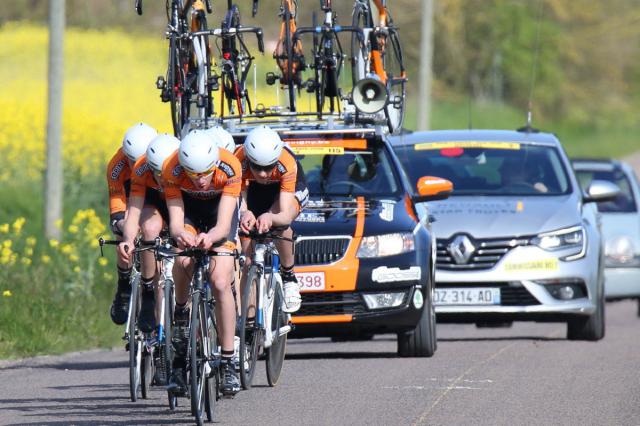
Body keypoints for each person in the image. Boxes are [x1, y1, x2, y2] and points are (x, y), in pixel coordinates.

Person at [161, 129, 242, 396]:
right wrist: (182, 235)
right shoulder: (171, 169)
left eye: (206, 173)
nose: (200, 181)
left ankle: (228, 360)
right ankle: (181, 312)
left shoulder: (230, 167)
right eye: (193, 175)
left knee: (220, 281)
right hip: (189, 216)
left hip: (219, 215)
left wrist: (212, 238)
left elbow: (223, 224)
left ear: (215, 163)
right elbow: (175, 222)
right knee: (183, 260)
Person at [235, 125, 309, 313]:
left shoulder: (286, 162)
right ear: (249, 159)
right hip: (253, 192)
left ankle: (289, 275)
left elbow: (284, 212)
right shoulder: (239, 160)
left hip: (284, 193)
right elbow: (239, 199)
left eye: (268, 168)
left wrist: (270, 216)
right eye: (257, 167)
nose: (262, 174)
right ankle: (248, 322)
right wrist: (245, 213)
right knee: (248, 258)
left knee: (281, 223)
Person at [117, 134, 180, 332]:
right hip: (153, 203)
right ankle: (148, 290)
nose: (160, 177)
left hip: (180, 203)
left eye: (164, 172)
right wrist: (127, 239)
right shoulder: (141, 169)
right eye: (156, 173)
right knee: (150, 230)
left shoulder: (183, 170)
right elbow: (134, 213)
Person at [106, 122, 157, 325]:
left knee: (152, 231)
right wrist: (124, 226)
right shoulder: (116, 167)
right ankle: (124, 286)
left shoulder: (161, 158)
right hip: (129, 194)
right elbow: (116, 209)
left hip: (152, 191)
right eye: (131, 161)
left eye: (141, 161)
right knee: (124, 227)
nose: (136, 166)